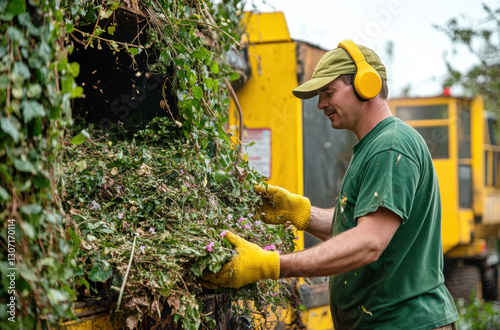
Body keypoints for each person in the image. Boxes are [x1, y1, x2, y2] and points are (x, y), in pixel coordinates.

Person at [203, 40, 459, 329]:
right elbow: (356, 229)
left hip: (405, 322)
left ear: (366, 85)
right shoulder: (374, 145)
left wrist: (272, 265)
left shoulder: (390, 146)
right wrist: (300, 213)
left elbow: (368, 243)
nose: (321, 104)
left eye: (328, 92)